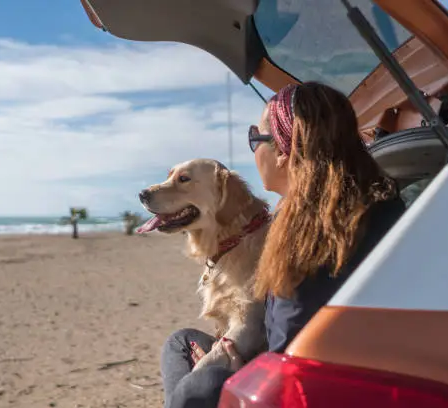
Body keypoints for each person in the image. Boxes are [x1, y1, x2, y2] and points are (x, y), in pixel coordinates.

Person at [159, 82, 406, 407]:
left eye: (255, 138)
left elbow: (294, 338)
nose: (254, 149)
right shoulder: (376, 205)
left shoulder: (309, 229)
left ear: (282, 152)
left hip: (306, 386)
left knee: (198, 387)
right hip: (352, 372)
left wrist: (245, 368)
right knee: (181, 343)